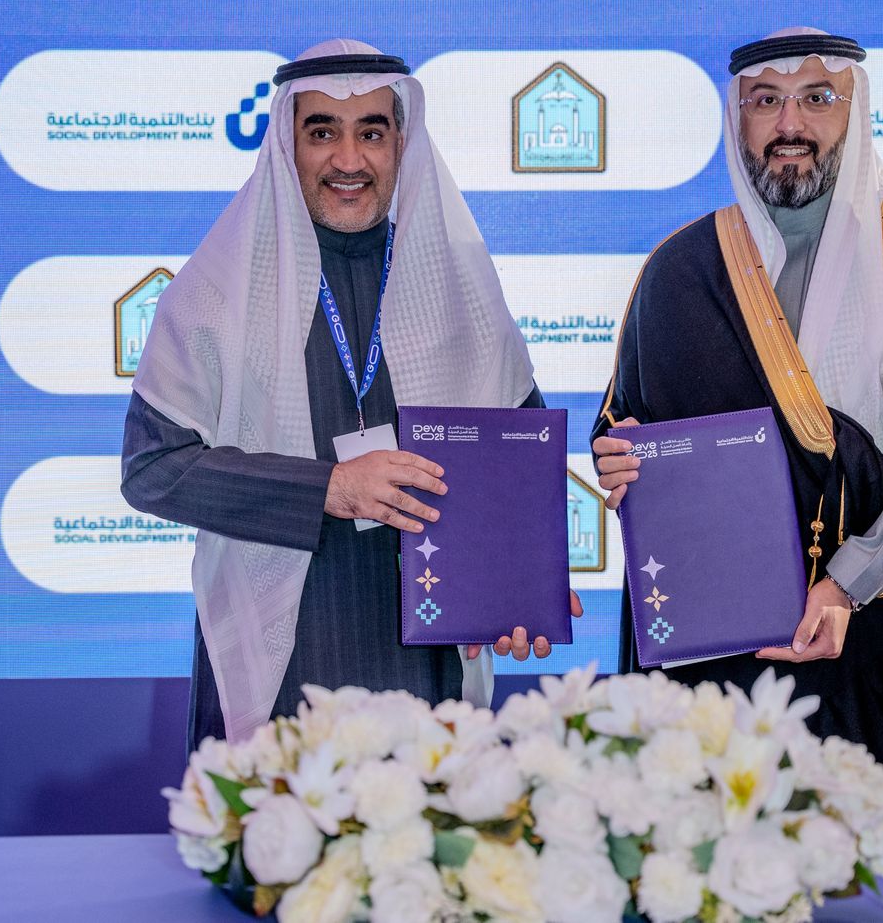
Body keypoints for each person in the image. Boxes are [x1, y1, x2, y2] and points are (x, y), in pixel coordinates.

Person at [591, 28, 883, 824]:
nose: (790, 124)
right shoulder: (682, 267)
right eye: (766, 101)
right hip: (728, 665)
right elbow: (627, 421)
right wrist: (616, 461)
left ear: (855, 111)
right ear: (738, 118)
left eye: (817, 98)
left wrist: (848, 581)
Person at [122, 39, 578, 749]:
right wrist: (327, 489)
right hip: (284, 654)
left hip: (429, 660)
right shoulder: (217, 294)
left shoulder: (461, 288)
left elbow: (520, 467)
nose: (348, 160)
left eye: (371, 132)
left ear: (401, 143)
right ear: (287, 144)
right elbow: (153, 470)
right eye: (322, 132)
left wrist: (521, 588)